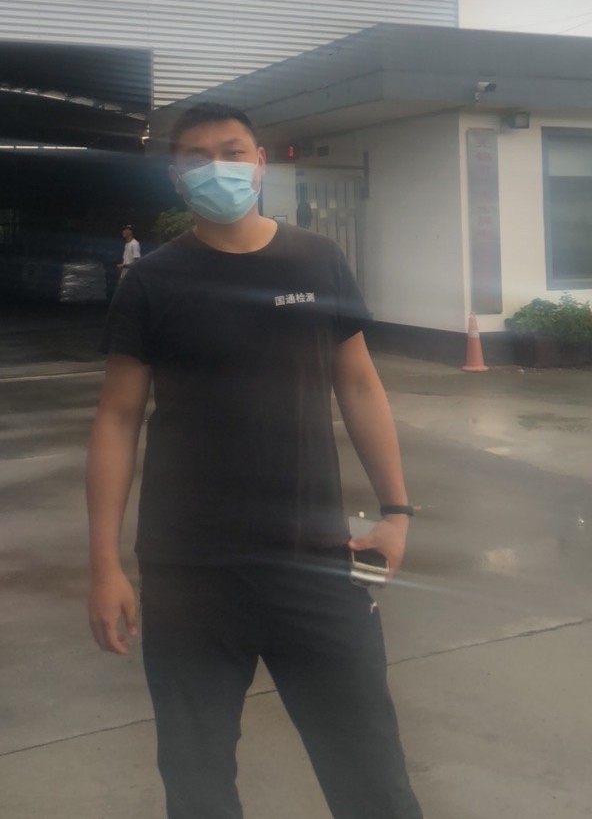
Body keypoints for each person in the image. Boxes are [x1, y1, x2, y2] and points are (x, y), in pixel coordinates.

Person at [86, 101, 423, 819]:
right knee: (197, 781)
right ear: (176, 176)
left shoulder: (317, 259)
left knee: (373, 776)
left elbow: (360, 385)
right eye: (198, 156)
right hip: (189, 574)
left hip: (316, 561)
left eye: (234, 151)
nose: (219, 167)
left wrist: (396, 511)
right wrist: (104, 565)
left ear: (261, 163)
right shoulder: (153, 281)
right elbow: (116, 420)